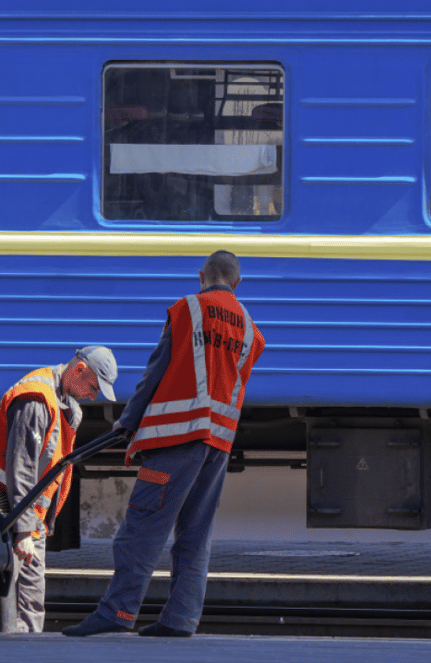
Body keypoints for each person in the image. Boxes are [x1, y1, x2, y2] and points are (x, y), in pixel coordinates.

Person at [62, 250, 265, 639]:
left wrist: (129, 420)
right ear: (237, 284)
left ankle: (117, 611)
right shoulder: (251, 329)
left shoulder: (187, 309)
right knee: (195, 533)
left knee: (141, 528)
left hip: (177, 437)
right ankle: (181, 619)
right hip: (218, 446)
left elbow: (158, 368)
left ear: (201, 276)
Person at [0, 345, 118, 632]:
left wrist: (33, 526)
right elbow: (21, 468)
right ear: (78, 370)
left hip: (24, 515)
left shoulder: (61, 400)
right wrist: (23, 531)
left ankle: (27, 652)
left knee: (30, 600)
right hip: (1, 510)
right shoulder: (36, 401)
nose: (93, 395)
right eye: (93, 387)